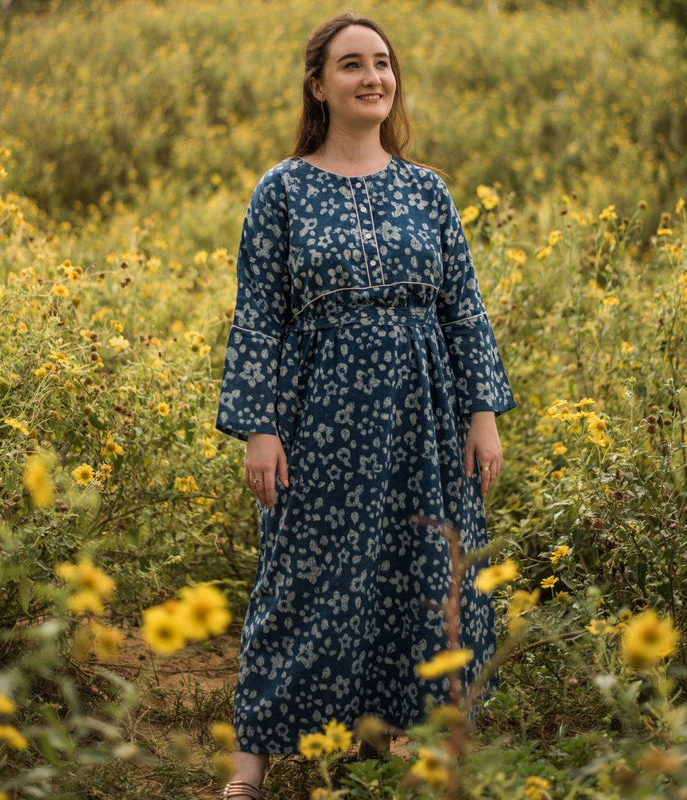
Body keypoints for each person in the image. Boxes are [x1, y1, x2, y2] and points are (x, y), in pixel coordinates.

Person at [215, 13, 515, 800]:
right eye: (352, 65)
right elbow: (258, 316)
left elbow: (464, 309)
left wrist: (482, 416)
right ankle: (252, 761)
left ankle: (408, 742)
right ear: (319, 85)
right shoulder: (281, 190)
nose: (373, 77)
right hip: (319, 415)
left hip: (425, 412)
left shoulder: (427, 190)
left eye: (382, 63)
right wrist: (259, 429)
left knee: (423, 573)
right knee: (302, 580)